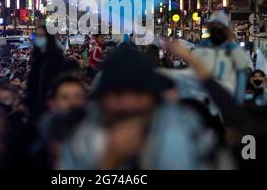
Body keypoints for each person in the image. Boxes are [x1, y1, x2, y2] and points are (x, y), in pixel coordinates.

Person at [59, 45, 211, 170]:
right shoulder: (81, 140)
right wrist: (110, 160)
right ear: (102, 98)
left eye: (138, 93)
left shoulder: (186, 132)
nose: (128, 104)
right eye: (118, 93)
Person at [193, 11, 251, 103]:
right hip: (204, 102)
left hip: (226, 103)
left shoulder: (235, 50)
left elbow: (242, 76)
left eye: (220, 27)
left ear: (226, 30)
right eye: (213, 27)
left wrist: (236, 105)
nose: (216, 30)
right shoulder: (200, 49)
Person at [27, 25, 65, 120]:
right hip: (36, 108)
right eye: (37, 36)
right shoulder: (36, 58)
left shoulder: (56, 58)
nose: (39, 38)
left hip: (51, 109)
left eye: (42, 35)